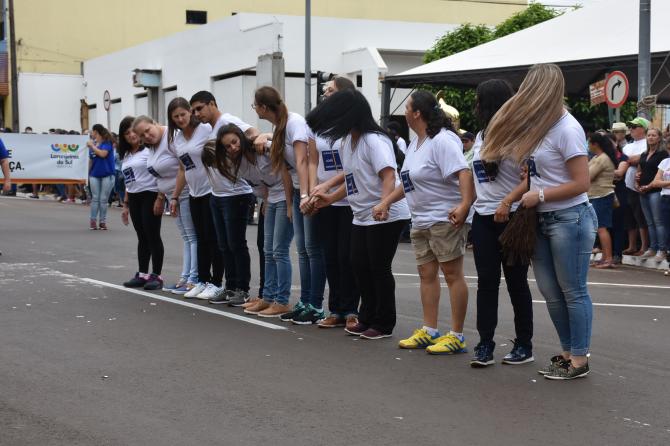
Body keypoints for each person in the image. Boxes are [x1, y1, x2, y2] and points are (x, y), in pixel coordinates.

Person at [484, 64, 596, 380]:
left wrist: (541, 194)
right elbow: (540, 173)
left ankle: (579, 358)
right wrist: (530, 182)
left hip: (570, 217)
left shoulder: (567, 129)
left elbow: (582, 183)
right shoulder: (542, 127)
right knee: (550, 290)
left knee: (572, 291)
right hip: (543, 218)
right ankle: (568, 353)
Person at [372, 90, 474, 353]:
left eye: (407, 107)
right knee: (426, 275)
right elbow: (408, 183)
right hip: (421, 219)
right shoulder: (417, 143)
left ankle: (457, 335)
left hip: (444, 217)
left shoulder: (443, 140)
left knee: (452, 275)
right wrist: (385, 202)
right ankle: (429, 330)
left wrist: (464, 205)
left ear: (417, 113)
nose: (404, 112)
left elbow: (463, 173)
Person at [308, 89, 411, 340]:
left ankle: (383, 323)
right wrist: (330, 198)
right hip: (362, 213)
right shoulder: (348, 141)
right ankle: (366, 317)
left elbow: (388, 175)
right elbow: (352, 178)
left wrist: (384, 204)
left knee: (378, 267)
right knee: (358, 264)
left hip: (386, 214)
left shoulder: (374, 140)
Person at [465, 79, 535, 367]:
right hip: (483, 217)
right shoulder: (481, 135)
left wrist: (507, 202)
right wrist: (465, 206)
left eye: (478, 100)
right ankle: (485, 343)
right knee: (487, 282)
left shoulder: (520, 135)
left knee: (517, 283)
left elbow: (532, 178)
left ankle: (524, 344)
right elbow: (476, 177)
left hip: (513, 217)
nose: (475, 105)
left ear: (488, 103)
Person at [253, 86, 326, 322]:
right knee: (302, 250)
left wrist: (305, 195)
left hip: (310, 189)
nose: (255, 110)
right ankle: (304, 301)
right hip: (296, 191)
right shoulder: (279, 127)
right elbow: (285, 170)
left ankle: (315, 304)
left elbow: (303, 161)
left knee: (311, 249)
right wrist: (289, 201)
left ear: (264, 107)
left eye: (255, 106)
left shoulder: (294, 123)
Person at [203, 124, 293, 314]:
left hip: (287, 195)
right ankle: (267, 297)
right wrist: (266, 200)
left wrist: (290, 203)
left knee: (279, 250)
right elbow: (259, 185)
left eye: (234, 142)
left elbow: (287, 163)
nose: (233, 148)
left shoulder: (261, 147)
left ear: (240, 137)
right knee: (268, 250)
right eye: (227, 146)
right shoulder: (239, 164)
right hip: (272, 197)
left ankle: (282, 300)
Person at [190, 90, 259, 306]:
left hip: (236, 194)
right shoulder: (209, 129)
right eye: (194, 111)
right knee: (224, 245)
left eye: (199, 108)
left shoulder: (227, 120)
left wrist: (259, 140)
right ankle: (230, 287)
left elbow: (252, 132)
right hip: (217, 195)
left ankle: (242, 290)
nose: (197, 114)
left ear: (212, 103)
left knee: (236, 244)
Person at [306, 75, 360, 330]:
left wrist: (329, 187)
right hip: (325, 198)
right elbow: (313, 160)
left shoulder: (351, 125)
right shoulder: (318, 124)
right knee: (330, 256)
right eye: (325, 91)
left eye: (330, 90)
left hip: (347, 199)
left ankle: (351, 309)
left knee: (346, 256)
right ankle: (335, 309)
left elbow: (351, 167)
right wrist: (312, 190)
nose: (325, 94)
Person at [134, 113, 197, 295]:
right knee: (187, 237)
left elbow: (183, 167)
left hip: (185, 193)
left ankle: (192, 280)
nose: (147, 136)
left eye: (148, 130)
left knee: (192, 237)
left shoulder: (172, 137)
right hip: (172, 196)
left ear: (154, 123)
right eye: (142, 135)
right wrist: (162, 196)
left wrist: (174, 196)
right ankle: (185, 278)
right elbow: (161, 174)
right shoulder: (153, 145)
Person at [171, 94, 220, 300]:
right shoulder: (177, 139)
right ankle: (201, 280)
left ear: (190, 113)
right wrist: (174, 196)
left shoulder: (205, 130)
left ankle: (216, 283)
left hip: (210, 190)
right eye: (175, 117)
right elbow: (183, 169)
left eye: (183, 114)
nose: (180, 119)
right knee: (200, 239)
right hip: (194, 193)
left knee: (212, 239)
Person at [118, 116, 164, 290]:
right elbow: (129, 181)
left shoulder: (149, 151)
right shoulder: (126, 154)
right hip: (134, 197)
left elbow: (161, 175)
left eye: (133, 131)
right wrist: (126, 205)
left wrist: (160, 197)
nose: (131, 135)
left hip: (150, 194)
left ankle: (156, 275)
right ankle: (142, 274)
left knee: (152, 235)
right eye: (126, 133)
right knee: (142, 236)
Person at [637, 128, 668, 261]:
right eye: (649, 135)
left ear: (659, 138)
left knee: (658, 221)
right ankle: (652, 248)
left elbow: (662, 174)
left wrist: (648, 186)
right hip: (642, 191)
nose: (650, 137)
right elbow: (639, 170)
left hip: (655, 191)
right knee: (649, 222)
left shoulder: (663, 154)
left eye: (654, 135)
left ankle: (662, 249)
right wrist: (636, 183)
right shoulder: (644, 154)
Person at [587, 132, 617, 268]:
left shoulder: (602, 158)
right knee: (599, 227)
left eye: (589, 143)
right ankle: (604, 258)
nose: (588, 146)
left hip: (602, 195)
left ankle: (608, 259)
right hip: (596, 195)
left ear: (595, 144)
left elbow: (588, 175)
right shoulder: (597, 157)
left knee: (602, 228)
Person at [622, 117, 650, 256]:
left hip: (641, 185)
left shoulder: (647, 143)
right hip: (627, 184)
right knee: (630, 216)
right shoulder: (628, 146)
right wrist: (631, 160)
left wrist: (630, 160)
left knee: (641, 216)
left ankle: (644, 247)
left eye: (635, 126)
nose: (631, 129)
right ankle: (632, 245)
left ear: (643, 129)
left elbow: (639, 159)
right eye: (631, 126)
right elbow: (625, 160)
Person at [87, 124, 116, 230]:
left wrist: (92, 146)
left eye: (92, 131)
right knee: (95, 198)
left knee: (103, 199)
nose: (91, 134)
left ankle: (102, 221)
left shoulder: (107, 143)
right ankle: (93, 221)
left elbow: (103, 154)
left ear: (96, 132)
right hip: (94, 174)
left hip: (107, 174)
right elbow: (91, 160)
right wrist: (87, 174)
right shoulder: (94, 144)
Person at [647, 151, 670, 274]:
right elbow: (656, 182)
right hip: (666, 199)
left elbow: (660, 182)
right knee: (668, 232)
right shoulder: (665, 162)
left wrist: (664, 183)